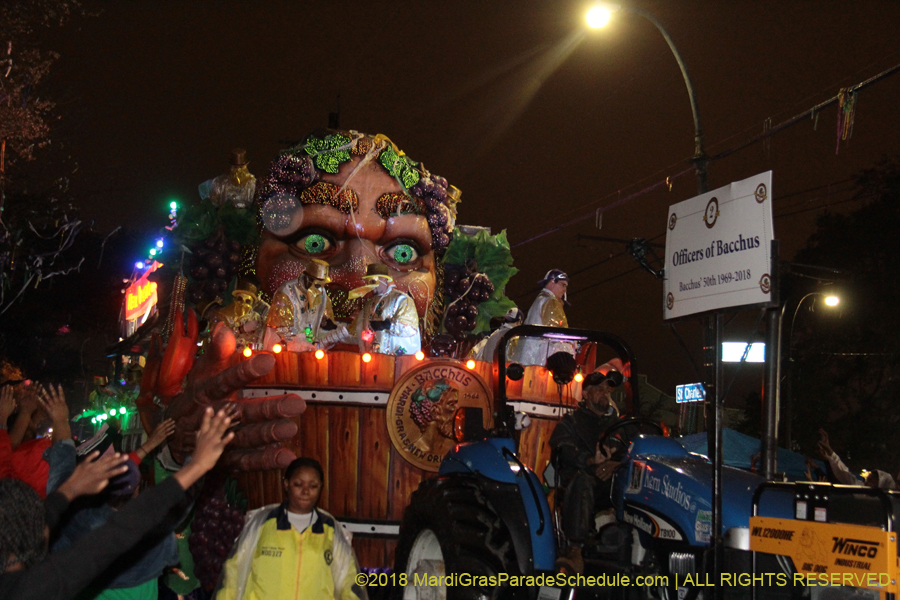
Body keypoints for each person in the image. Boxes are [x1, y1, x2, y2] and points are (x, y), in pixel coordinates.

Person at [0, 406, 235, 600]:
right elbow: (126, 528)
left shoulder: (67, 533)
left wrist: (70, 489)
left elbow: (55, 503)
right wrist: (197, 466)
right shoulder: (39, 588)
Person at [255, 129, 460, 346]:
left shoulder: (393, 305)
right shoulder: (296, 295)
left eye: (402, 253)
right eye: (314, 243)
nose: (357, 279)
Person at [215, 457, 367, 600]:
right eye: (298, 484)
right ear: (286, 484)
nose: (305, 491)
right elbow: (233, 576)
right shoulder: (261, 524)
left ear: (321, 486)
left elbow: (349, 582)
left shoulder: (331, 530)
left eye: (313, 486)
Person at [549, 371, 623, 545]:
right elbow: (563, 449)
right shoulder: (570, 422)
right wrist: (590, 460)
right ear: (585, 394)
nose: (605, 392)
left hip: (613, 481)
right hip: (582, 481)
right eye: (599, 388)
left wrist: (616, 464)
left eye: (607, 389)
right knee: (582, 481)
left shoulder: (620, 425)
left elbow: (633, 452)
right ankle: (576, 546)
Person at [349, 263, 420, 356]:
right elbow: (357, 328)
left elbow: (410, 329)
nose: (371, 287)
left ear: (384, 279)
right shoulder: (370, 304)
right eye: (368, 282)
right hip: (373, 358)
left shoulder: (401, 299)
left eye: (373, 282)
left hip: (397, 359)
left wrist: (387, 325)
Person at [266, 258, 336, 352]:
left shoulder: (322, 294)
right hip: (284, 349)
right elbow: (280, 326)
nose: (319, 288)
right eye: (317, 283)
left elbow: (325, 321)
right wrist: (297, 341)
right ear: (308, 279)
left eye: (322, 284)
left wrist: (327, 324)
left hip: (309, 349)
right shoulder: (287, 291)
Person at [510, 269, 573, 366]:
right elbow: (557, 332)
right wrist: (571, 344)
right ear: (552, 282)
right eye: (563, 285)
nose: (565, 290)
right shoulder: (551, 301)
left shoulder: (540, 299)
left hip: (527, 359)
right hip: (538, 361)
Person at [817, 428, 896, 489]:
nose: (867, 482)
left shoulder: (875, 500)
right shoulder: (860, 489)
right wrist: (829, 450)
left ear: (881, 485)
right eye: (869, 479)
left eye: (872, 480)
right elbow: (843, 472)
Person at [214, 276, 269, 350]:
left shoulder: (256, 316)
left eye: (247, 301)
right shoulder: (224, 314)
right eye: (240, 299)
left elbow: (260, 340)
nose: (243, 304)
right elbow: (220, 338)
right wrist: (240, 329)